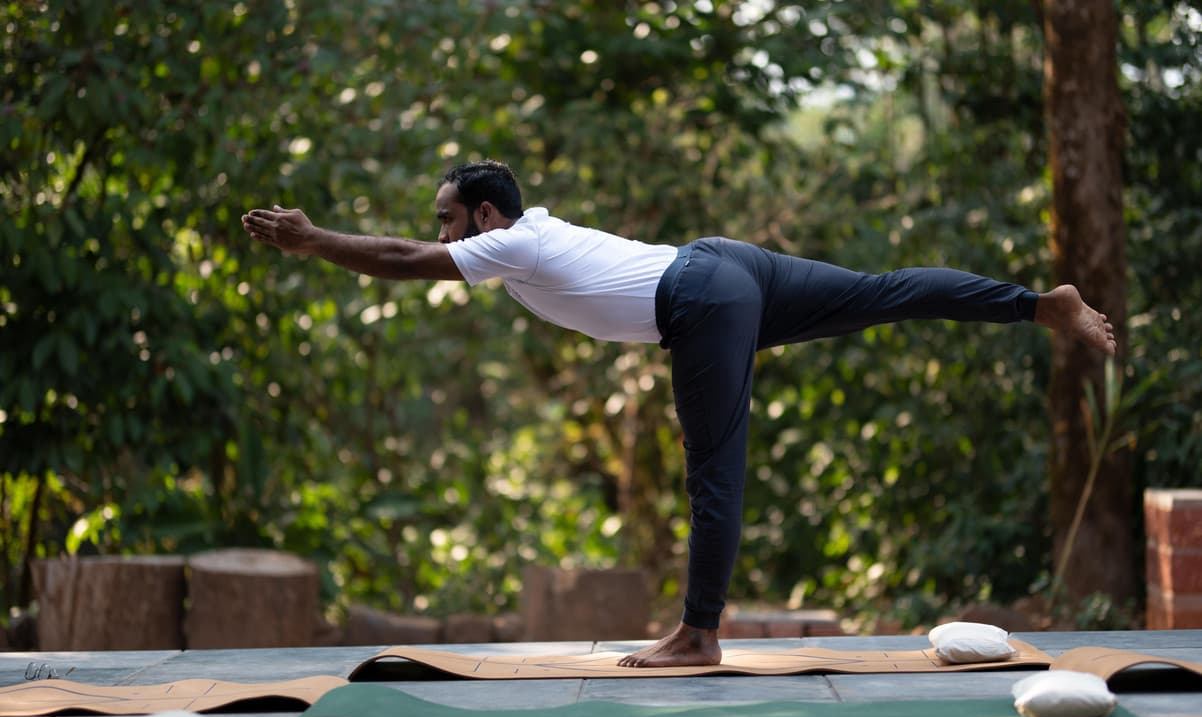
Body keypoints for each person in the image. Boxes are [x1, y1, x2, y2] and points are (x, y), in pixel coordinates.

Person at [243, 159, 1116, 668]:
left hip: (700, 299)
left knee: (713, 466)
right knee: (882, 293)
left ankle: (699, 633)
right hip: (728, 266)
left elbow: (401, 257)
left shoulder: (508, 241)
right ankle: (1037, 304)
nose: (437, 236)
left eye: (445, 221)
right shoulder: (532, 238)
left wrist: (315, 241)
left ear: (479, 214)